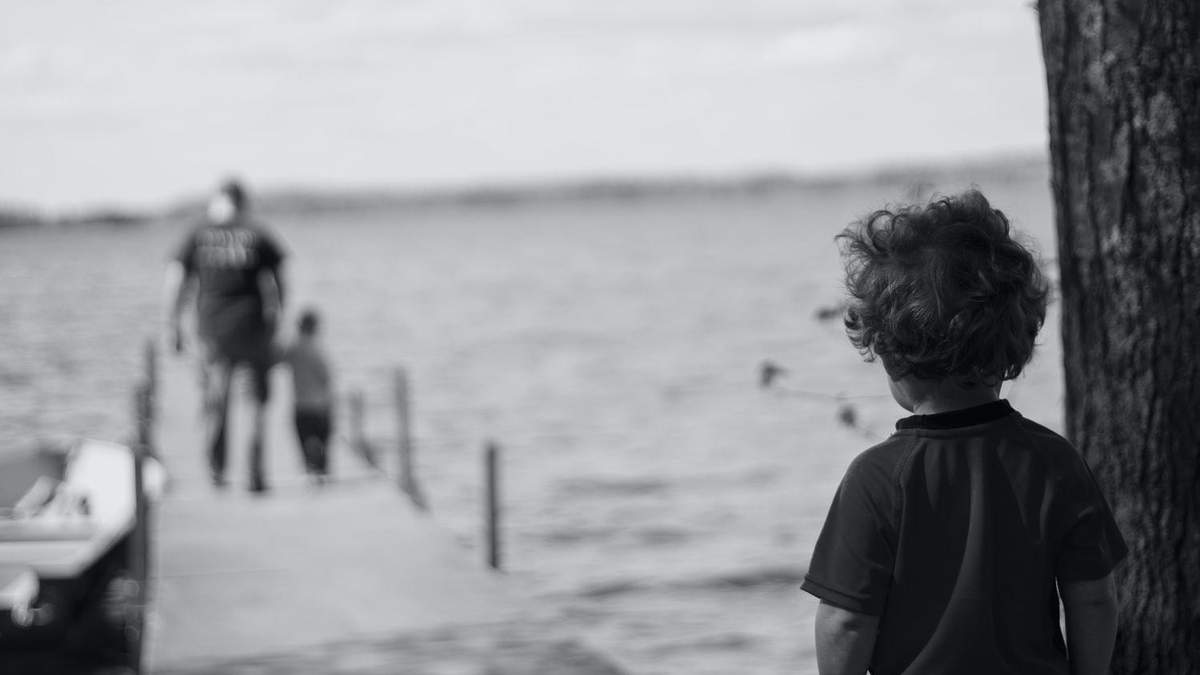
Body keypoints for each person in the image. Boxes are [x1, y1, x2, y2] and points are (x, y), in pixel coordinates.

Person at [801, 190, 1127, 675]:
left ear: (889, 351)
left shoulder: (876, 479)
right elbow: (1094, 598)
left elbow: (845, 622)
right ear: (1014, 341)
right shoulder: (1055, 462)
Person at [166, 178, 286, 493]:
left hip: (211, 332)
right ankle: (255, 476)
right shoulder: (257, 232)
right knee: (255, 403)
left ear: (217, 200)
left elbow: (176, 281)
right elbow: (278, 281)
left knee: (216, 401)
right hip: (253, 329)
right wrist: (278, 321)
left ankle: (217, 471)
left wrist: (173, 324)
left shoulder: (197, 233)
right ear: (242, 202)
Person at [281, 308, 334, 484]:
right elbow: (326, 377)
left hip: (301, 406)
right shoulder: (318, 349)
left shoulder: (293, 348)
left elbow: (278, 358)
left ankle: (311, 469)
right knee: (322, 440)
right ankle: (321, 470)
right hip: (320, 405)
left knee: (306, 440)